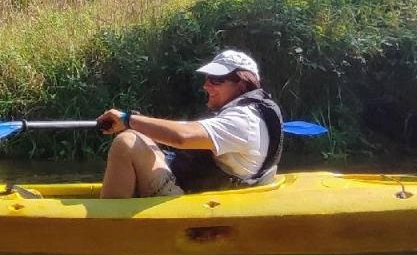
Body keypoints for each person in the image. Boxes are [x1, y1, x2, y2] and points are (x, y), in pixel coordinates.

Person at [95, 49, 285, 198]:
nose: (206, 85)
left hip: (201, 202)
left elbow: (182, 137)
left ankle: (107, 229)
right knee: (142, 138)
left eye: (216, 80)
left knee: (127, 142)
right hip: (206, 190)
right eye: (207, 79)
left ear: (242, 85)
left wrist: (128, 120)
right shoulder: (251, 114)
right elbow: (183, 133)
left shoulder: (243, 121)